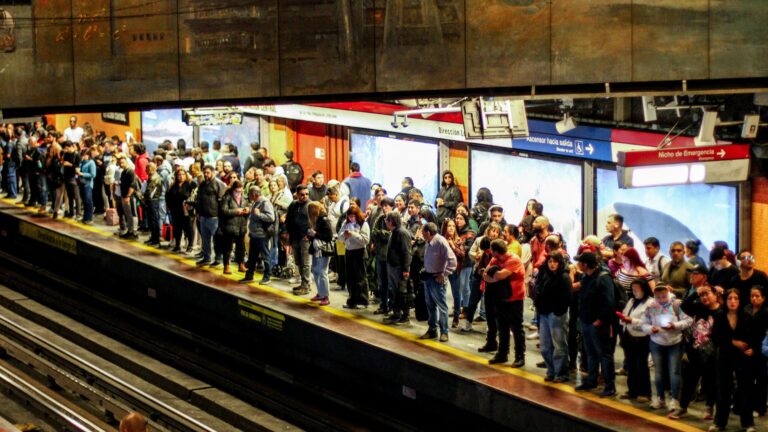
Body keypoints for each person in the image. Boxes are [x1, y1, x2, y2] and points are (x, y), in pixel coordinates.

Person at [709, 289, 757, 432]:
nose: (733, 301)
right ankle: (719, 423)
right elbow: (716, 338)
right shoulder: (719, 315)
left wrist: (752, 348)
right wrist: (732, 342)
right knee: (723, 389)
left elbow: (754, 336)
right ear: (725, 300)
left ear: (740, 301)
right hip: (724, 355)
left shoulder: (747, 316)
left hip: (742, 357)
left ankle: (748, 423)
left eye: (736, 298)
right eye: (730, 298)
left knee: (745, 389)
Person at [640, 285, 691, 412]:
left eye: (664, 296)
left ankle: (674, 399)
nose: (661, 299)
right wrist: (651, 329)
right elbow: (643, 323)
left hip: (675, 342)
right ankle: (660, 398)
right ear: (654, 297)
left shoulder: (676, 306)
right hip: (656, 342)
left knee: (674, 372)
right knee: (658, 372)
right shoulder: (651, 307)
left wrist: (675, 325)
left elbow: (688, 320)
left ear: (668, 294)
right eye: (658, 297)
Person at [674, 281, 720, 420]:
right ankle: (683, 407)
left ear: (715, 295)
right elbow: (683, 305)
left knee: (711, 382)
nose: (704, 297)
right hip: (695, 351)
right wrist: (696, 292)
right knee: (689, 381)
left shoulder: (721, 312)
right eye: (702, 295)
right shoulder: (698, 307)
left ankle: (709, 408)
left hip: (712, 354)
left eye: (707, 294)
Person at [574, 252, 617, 397]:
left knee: (604, 354)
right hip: (586, 321)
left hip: (598, 324)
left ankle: (610, 386)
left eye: (579, 262)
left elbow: (609, 302)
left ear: (585, 264)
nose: (578, 264)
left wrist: (600, 320)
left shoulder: (603, 278)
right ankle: (591, 380)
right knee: (591, 353)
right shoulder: (586, 277)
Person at [535, 250, 571, 380]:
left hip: (556, 315)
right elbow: (538, 289)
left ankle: (561, 373)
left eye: (555, 262)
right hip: (544, 313)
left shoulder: (564, 277)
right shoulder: (544, 274)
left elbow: (567, 297)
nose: (552, 264)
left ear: (560, 263)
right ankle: (551, 371)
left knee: (559, 345)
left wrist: (558, 311)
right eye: (550, 261)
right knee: (545, 346)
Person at [616, 278, 654, 403]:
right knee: (631, 364)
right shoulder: (632, 301)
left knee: (641, 365)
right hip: (629, 336)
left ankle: (645, 392)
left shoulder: (651, 303)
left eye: (637, 289)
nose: (635, 292)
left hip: (642, 337)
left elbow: (647, 322)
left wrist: (630, 320)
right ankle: (632, 390)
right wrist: (623, 319)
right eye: (633, 290)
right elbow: (625, 313)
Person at [420, 222, 457, 342]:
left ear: (428, 233)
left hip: (437, 279)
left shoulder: (440, 242)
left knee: (442, 307)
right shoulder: (428, 241)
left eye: (423, 233)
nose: (422, 235)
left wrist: (444, 275)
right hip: (428, 278)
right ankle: (432, 330)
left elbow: (453, 261)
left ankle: (444, 332)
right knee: (430, 305)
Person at [240, 187, 275, 284]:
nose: (250, 197)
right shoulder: (257, 202)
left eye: (250, 195)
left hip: (262, 235)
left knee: (265, 256)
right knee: (252, 257)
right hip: (254, 235)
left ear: (254, 194)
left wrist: (259, 214)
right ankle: (249, 275)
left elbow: (271, 218)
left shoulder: (265, 203)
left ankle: (267, 276)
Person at [383, 211, 412, 325]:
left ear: (391, 221)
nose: (386, 222)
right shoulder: (394, 232)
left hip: (399, 267)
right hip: (393, 266)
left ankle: (405, 315)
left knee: (402, 292)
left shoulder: (401, 233)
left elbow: (406, 252)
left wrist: (405, 269)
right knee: (395, 291)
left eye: (387, 220)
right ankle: (396, 313)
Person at [339, 205, 370, 309]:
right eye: (349, 216)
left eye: (353, 216)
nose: (351, 218)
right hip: (349, 251)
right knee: (350, 277)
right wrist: (344, 235)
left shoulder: (364, 224)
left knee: (360, 278)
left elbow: (365, 240)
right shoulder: (346, 223)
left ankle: (363, 301)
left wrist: (353, 234)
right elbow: (340, 237)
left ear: (357, 215)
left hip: (359, 252)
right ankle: (352, 300)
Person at [195, 165, 226, 266]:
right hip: (204, 216)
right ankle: (206, 257)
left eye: (208, 172)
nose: (206, 174)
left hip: (214, 217)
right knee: (205, 239)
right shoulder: (202, 184)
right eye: (204, 172)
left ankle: (218, 258)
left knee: (217, 239)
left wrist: (221, 216)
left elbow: (223, 201)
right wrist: (198, 212)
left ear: (213, 172)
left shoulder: (219, 184)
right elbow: (199, 198)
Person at [286, 185, 312, 295]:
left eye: (307, 194)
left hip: (305, 239)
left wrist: (310, 235)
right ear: (297, 194)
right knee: (298, 262)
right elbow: (288, 220)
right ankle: (303, 283)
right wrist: (289, 238)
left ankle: (306, 285)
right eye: (302, 194)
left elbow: (317, 222)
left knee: (306, 263)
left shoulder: (311, 205)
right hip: (295, 237)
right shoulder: (293, 205)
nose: (305, 196)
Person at [219, 180, 248, 275]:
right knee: (227, 247)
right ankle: (226, 265)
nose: (238, 193)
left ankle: (241, 264)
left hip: (241, 226)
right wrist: (236, 211)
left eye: (240, 191)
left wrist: (248, 210)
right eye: (237, 191)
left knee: (241, 247)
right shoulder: (227, 198)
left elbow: (249, 206)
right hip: (229, 227)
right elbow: (224, 211)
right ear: (233, 190)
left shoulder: (244, 198)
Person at [307, 201, 334, 305]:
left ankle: (325, 296)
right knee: (315, 271)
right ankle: (320, 293)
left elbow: (329, 236)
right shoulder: (318, 220)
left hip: (323, 250)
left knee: (322, 272)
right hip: (316, 249)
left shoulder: (324, 220)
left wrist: (315, 234)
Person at [372, 197, 395, 315]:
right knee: (382, 283)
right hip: (380, 255)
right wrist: (382, 234)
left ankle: (392, 306)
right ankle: (383, 305)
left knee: (391, 284)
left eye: (387, 206)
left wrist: (381, 233)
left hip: (390, 258)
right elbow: (374, 232)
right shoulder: (379, 219)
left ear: (392, 207)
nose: (385, 208)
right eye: (383, 206)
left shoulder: (396, 219)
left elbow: (390, 235)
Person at [441, 218, 465, 328]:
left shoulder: (458, 240)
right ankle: (442, 318)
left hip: (455, 270)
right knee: (441, 294)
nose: (451, 228)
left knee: (456, 294)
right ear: (445, 227)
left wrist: (453, 246)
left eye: (453, 226)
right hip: (442, 270)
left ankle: (456, 317)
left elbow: (462, 255)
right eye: (449, 226)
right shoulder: (440, 239)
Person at [165, 169, 194, 253]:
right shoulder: (173, 186)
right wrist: (169, 207)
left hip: (187, 211)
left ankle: (190, 245)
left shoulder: (190, 184)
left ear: (186, 175)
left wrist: (189, 205)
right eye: (179, 175)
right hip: (176, 211)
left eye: (182, 174)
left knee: (188, 228)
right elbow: (168, 197)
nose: (181, 176)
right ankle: (177, 245)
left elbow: (194, 196)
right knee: (177, 228)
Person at [143, 162, 163, 246]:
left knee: (154, 220)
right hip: (152, 200)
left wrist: (144, 197)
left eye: (147, 169)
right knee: (151, 220)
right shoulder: (152, 177)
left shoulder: (155, 178)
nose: (146, 170)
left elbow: (149, 190)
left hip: (153, 200)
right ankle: (153, 237)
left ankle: (156, 239)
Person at [77, 146, 97, 225]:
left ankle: (89, 218)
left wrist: (82, 174)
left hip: (88, 184)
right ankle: (85, 217)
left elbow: (93, 174)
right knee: (84, 201)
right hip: (82, 183)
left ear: (88, 155)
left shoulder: (91, 163)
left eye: (85, 155)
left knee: (88, 201)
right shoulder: (82, 162)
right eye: (82, 155)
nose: (83, 157)